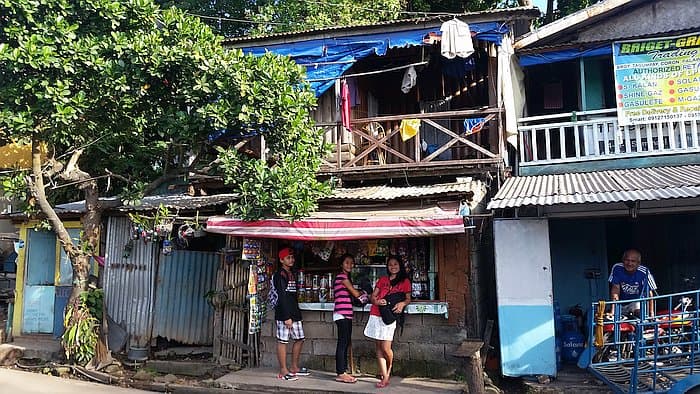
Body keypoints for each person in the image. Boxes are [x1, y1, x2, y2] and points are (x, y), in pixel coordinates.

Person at [364, 255, 411, 389]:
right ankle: (385, 376)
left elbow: (408, 298)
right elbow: (373, 296)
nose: (393, 267)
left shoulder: (405, 281)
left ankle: (389, 368)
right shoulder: (382, 280)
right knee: (378, 346)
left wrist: (402, 304)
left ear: (400, 265)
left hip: (390, 316)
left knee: (386, 348)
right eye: (390, 264)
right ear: (387, 267)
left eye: (395, 264)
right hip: (376, 314)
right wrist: (377, 301)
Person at [273, 247, 310, 381]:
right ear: (281, 260)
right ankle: (283, 370)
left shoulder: (291, 273)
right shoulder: (280, 275)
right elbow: (282, 296)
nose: (291, 259)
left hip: (294, 312)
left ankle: (294, 367)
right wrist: (286, 316)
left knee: (300, 339)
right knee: (283, 341)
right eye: (288, 257)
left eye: (292, 257)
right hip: (284, 314)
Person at [332, 254, 368, 384]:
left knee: (345, 342)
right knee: (342, 343)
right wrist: (364, 294)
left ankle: (343, 371)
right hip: (341, 314)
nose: (350, 265)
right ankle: (340, 373)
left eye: (352, 263)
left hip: (345, 314)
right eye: (347, 262)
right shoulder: (342, 277)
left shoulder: (346, 277)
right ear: (342, 264)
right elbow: (355, 293)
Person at [608, 249, 657, 317]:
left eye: (633, 261)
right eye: (627, 260)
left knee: (640, 314)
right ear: (623, 260)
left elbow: (649, 293)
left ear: (638, 263)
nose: (629, 263)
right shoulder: (617, 268)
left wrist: (651, 314)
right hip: (621, 303)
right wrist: (612, 311)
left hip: (636, 303)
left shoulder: (644, 272)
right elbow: (615, 289)